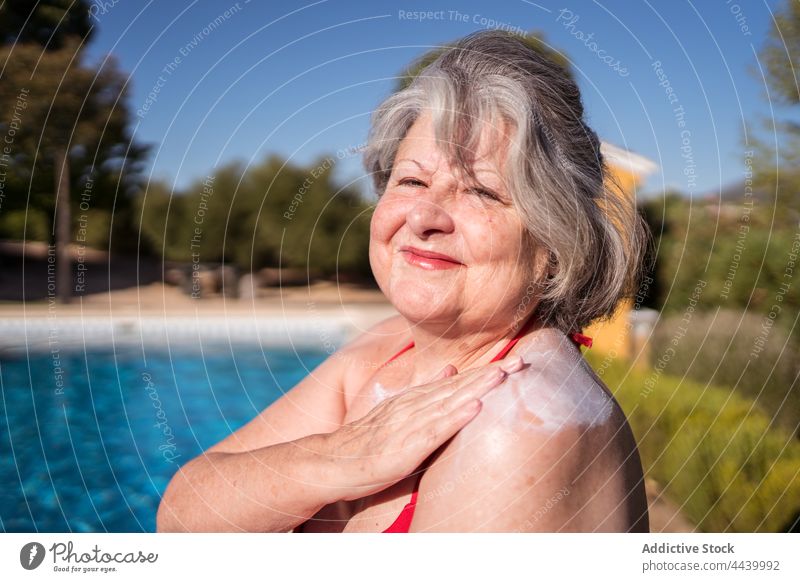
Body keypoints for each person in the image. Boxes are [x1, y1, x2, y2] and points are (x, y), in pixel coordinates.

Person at [156, 30, 650, 533]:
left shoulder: (518, 428)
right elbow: (181, 516)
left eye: (481, 192)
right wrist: (340, 456)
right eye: (412, 181)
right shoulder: (391, 347)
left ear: (554, 243)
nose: (423, 218)